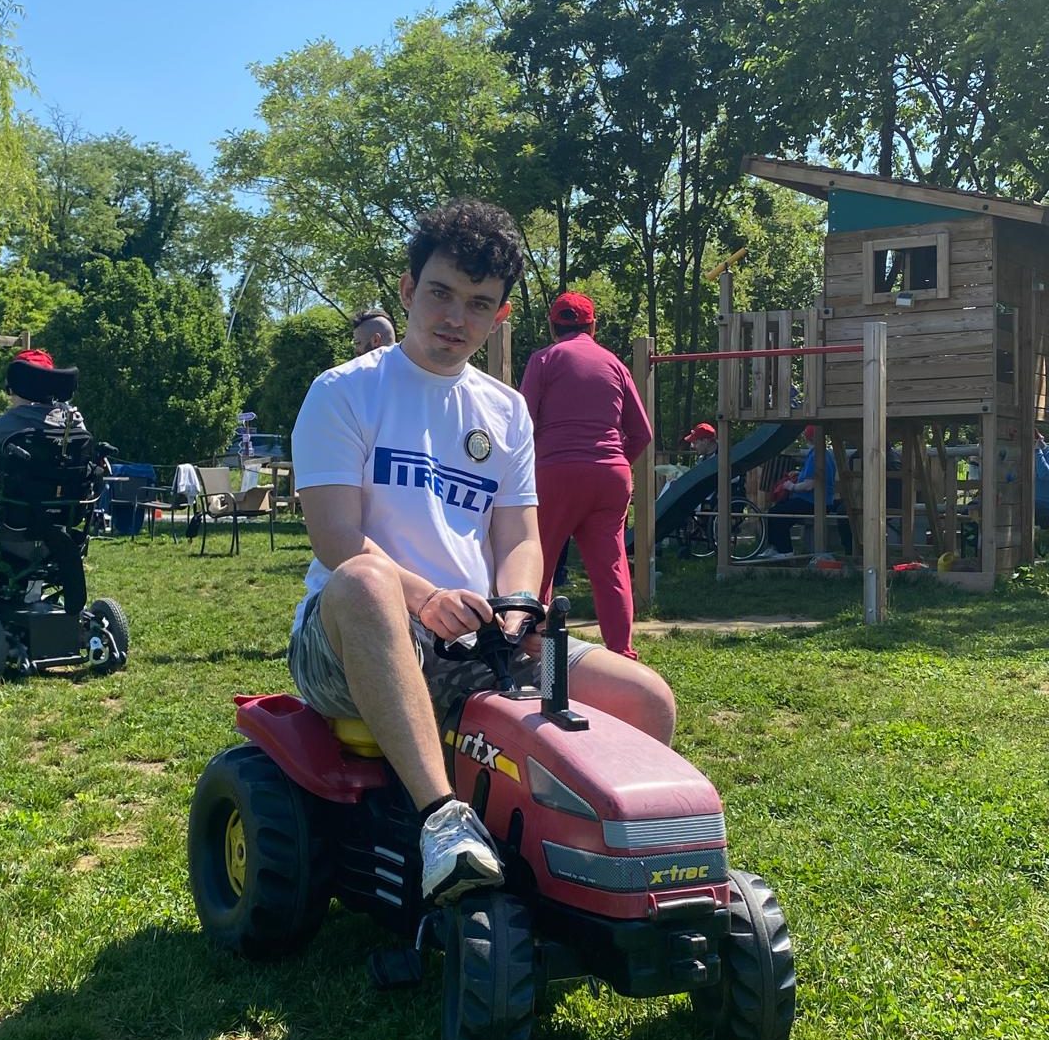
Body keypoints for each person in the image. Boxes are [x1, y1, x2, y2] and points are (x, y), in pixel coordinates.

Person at [289, 200, 676, 906]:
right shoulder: (343, 392)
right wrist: (428, 599)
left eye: (478, 304)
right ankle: (442, 821)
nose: (454, 318)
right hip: (350, 640)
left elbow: (521, 537)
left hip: (475, 642)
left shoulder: (504, 410)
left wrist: (518, 606)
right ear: (408, 290)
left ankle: (594, 863)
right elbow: (336, 539)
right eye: (439, 293)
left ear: (499, 316)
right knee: (368, 580)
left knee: (647, 702)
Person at [519, 291, 653, 660]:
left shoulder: (544, 359)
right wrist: (614, 463)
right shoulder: (615, 365)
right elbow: (642, 433)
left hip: (556, 473)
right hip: (610, 475)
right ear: (593, 325)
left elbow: (521, 424)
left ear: (552, 326)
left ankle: (536, 647)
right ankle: (622, 653)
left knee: (539, 560)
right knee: (611, 566)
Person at [0, 349, 87, 510]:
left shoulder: (1, 428)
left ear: (13, 387)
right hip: (65, 523)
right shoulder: (76, 425)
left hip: (12, 527)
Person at [759, 424, 836, 559]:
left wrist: (790, 486)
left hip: (813, 502)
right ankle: (775, 547)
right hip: (820, 501)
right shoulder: (824, 453)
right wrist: (799, 474)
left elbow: (810, 485)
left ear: (808, 438)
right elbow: (814, 476)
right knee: (777, 510)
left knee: (777, 513)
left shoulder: (816, 455)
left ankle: (785, 551)